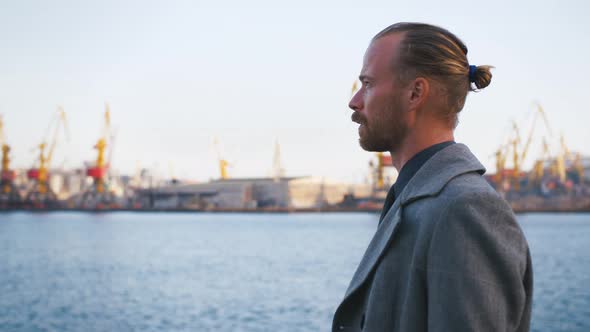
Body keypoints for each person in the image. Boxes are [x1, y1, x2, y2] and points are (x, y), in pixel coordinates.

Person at [332, 22, 533, 332]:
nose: (355, 101)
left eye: (368, 83)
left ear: (415, 93)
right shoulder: (419, 199)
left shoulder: (466, 209)